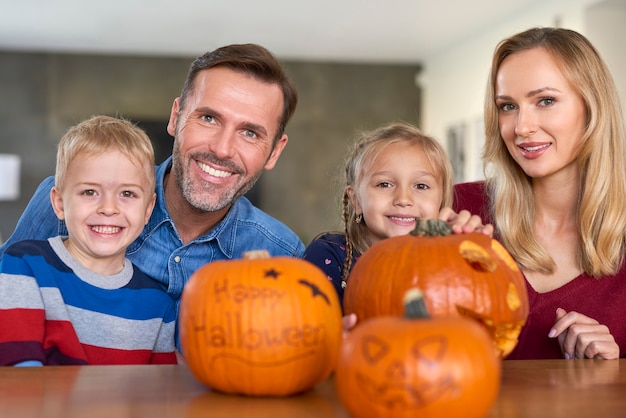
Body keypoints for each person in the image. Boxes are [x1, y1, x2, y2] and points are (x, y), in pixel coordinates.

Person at [0, 44, 305, 327]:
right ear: (176, 117)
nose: (222, 149)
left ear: (275, 151)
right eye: (209, 118)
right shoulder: (75, 205)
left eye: (250, 133)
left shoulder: (283, 255)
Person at [453, 27, 626, 360]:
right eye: (507, 106)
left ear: (591, 107)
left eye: (545, 101)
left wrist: (614, 369)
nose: (521, 126)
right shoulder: (457, 209)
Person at [0, 115, 177, 365]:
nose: (108, 208)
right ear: (59, 203)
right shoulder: (24, 266)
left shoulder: (158, 305)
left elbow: (159, 395)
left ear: (148, 210)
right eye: (90, 192)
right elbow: (21, 377)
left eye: (127, 193)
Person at [304, 122, 493, 305]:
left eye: (421, 186)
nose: (403, 199)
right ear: (356, 200)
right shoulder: (330, 254)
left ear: (440, 202)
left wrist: (471, 258)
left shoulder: (447, 258)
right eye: (384, 184)